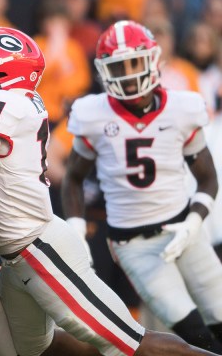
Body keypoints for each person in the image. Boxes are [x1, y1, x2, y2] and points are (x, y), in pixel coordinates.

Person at [0, 26, 217, 356]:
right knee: (31, 350)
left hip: (40, 248)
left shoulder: (0, 104)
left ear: (1, 74)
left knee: (132, 343)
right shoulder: (11, 102)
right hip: (15, 256)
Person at [63, 20, 222, 352]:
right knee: (193, 331)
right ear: (103, 71)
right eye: (119, 66)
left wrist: (194, 223)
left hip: (184, 231)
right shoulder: (92, 114)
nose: (129, 74)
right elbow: (74, 178)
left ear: (153, 59)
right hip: (132, 244)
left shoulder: (182, 108)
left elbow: (207, 177)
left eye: (134, 63)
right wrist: (76, 228)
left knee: (220, 317)